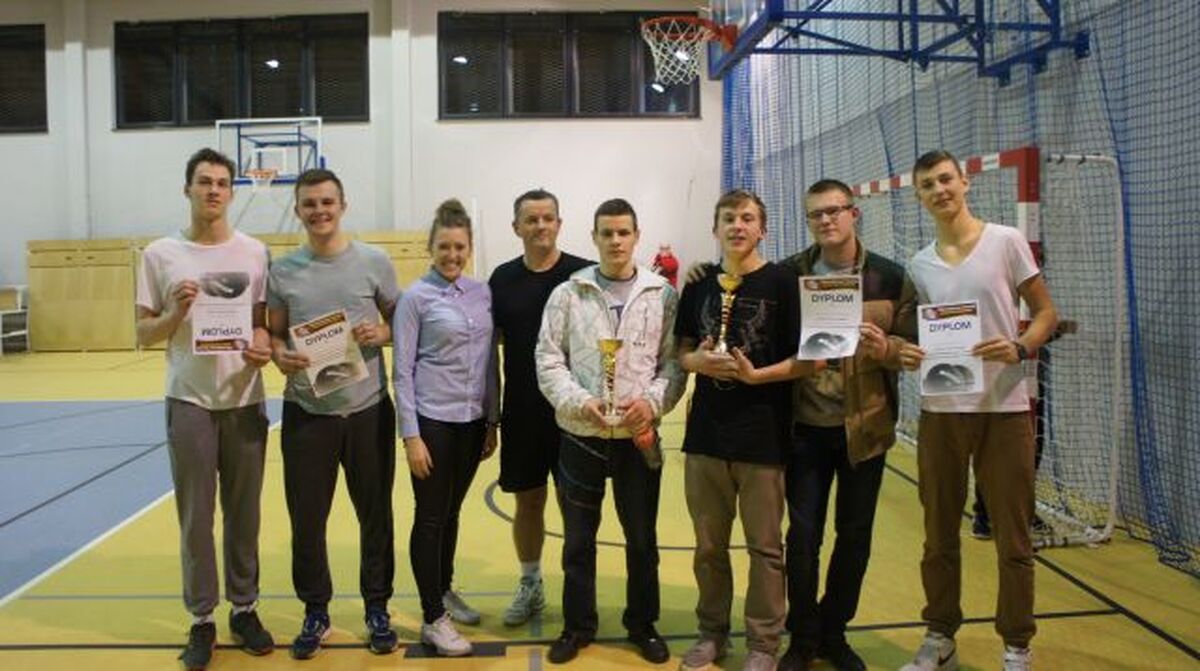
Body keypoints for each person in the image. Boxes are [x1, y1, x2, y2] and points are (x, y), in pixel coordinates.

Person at [897, 150, 1058, 671]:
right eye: (927, 184)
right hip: (941, 412)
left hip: (1003, 409)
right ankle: (940, 636)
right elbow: (912, 334)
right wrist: (907, 352)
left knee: (1013, 538)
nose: (939, 190)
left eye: (945, 179)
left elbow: (1045, 313)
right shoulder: (918, 265)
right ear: (919, 196)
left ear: (964, 182)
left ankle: (1017, 645)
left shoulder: (1006, 241)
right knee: (938, 536)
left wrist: (1021, 346)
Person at [135, 148, 274, 671]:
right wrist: (174, 312)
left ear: (231, 192)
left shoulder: (255, 253)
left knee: (245, 515)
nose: (213, 190)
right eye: (204, 181)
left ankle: (245, 609)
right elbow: (143, 332)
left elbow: (262, 322)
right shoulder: (160, 254)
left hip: (245, 399)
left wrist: (263, 344)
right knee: (196, 518)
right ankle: (201, 619)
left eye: (221, 182)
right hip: (189, 400)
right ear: (187, 189)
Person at [535, 198, 685, 664]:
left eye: (623, 232)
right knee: (578, 541)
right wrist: (581, 402)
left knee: (641, 539)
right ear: (594, 238)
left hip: (638, 437)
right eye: (607, 233)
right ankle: (578, 626)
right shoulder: (569, 293)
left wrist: (650, 404)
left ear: (636, 236)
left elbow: (674, 364)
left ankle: (642, 624)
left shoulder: (662, 295)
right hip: (581, 435)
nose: (616, 241)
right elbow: (548, 359)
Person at [773, 180, 915, 671]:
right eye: (816, 214)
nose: (826, 220)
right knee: (803, 538)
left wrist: (887, 349)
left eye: (834, 211)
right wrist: (705, 274)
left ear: (854, 214)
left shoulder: (890, 278)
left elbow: (915, 346)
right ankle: (803, 636)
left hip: (865, 430)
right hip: (804, 430)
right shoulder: (788, 274)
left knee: (854, 537)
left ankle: (834, 633)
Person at [266, 169, 400, 659]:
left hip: (368, 412)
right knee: (307, 521)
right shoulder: (282, 272)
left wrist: (381, 334)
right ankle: (316, 611)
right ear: (298, 211)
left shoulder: (374, 261)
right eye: (309, 204)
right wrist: (280, 355)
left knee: (375, 516)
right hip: (307, 413)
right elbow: (274, 334)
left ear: (342, 205)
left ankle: (377, 608)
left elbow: (400, 321)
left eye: (327, 202)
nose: (319, 211)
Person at [675, 189, 801, 671]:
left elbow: (808, 359)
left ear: (762, 229)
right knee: (709, 548)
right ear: (716, 229)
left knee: (765, 549)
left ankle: (763, 645)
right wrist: (698, 362)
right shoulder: (699, 285)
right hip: (706, 437)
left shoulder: (784, 284)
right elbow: (681, 351)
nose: (737, 226)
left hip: (762, 438)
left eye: (747, 218)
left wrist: (757, 376)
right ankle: (712, 634)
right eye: (728, 218)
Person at [393, 199, 498, 657]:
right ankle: (433, 617)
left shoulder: (482, 293)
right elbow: (402, 372)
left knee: (452, 512)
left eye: (459, 247)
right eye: (444, 247)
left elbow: (490, 360)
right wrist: (411, 436)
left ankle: (445, 589)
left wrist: (492, 418)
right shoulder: (415, 298)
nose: (452, 255)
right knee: (431, 517)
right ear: (430, 247)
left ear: (469, 247)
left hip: (472, 424)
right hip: (433, 423)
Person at [488, 189, 592, 627]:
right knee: (528, 502)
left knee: (574, 507)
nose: (540, 226)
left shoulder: (584, 275)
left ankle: (577, 593)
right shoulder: (501, 279)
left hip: (573, 414)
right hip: (522, 413)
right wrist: (490, 418)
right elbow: (487, 352)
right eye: (531, 220)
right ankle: (530, 583)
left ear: (559, 223)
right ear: (516, 228)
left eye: (548, 218)